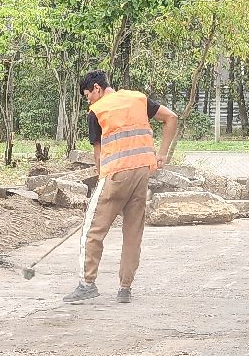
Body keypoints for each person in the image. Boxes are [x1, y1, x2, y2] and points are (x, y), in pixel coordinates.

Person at [64, 71, 180, 303]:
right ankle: (125, 289)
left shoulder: (98, 111)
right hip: (141, 174)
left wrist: (101, 179)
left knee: (92, 231)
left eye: (88, 96)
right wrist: (163, 154)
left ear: (97, 88)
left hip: (115, 176)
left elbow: (98, 155)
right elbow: (172, 117)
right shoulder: (137, 98)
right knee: (132, 233)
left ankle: (87, 283)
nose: (88, 101)